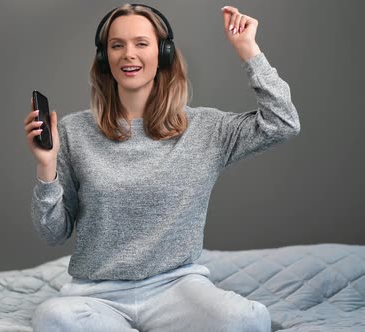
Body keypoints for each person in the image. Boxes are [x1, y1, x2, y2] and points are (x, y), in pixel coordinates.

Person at [23, 3, 300, 332]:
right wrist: (46, 167)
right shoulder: (73, 132)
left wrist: (248, 51)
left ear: (164, 53)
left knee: (247, 318)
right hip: (96, 295)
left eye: (141, 43)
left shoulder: (207, 129)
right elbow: (53, 233)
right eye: (117, 45)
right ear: (104, 58)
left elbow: (283, 124)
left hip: (177, 289)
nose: (129, 54)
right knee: (51, 317)